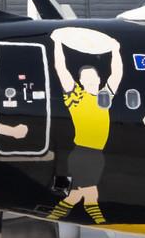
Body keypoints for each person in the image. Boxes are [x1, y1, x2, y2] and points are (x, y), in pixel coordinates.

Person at [48, 25, 123, 224]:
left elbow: (116, 75)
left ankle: (56, 216)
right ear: (80, 81)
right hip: (82, 153)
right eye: (85, 78)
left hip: (96, 154)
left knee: (83, 194)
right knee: (86, 194)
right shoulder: (76, 97)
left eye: (93, 77)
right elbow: (61, 70)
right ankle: (99, 222)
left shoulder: (104, 97)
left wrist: (115, 51)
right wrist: (57, 43)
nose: (90, 81)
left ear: (99, 79)